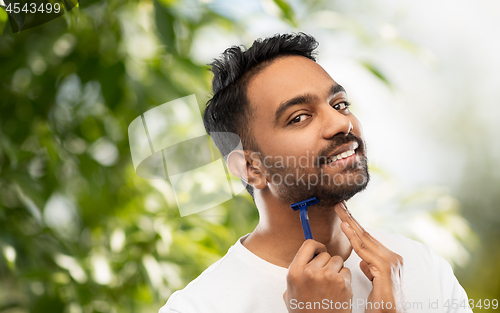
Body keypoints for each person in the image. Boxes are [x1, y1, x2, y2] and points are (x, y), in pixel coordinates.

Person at [159, 33, 472, 313]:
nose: (341, 123)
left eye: (340, 104)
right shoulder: (199, 306)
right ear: (251, 168)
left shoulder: (422, 269)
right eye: (299, 117)